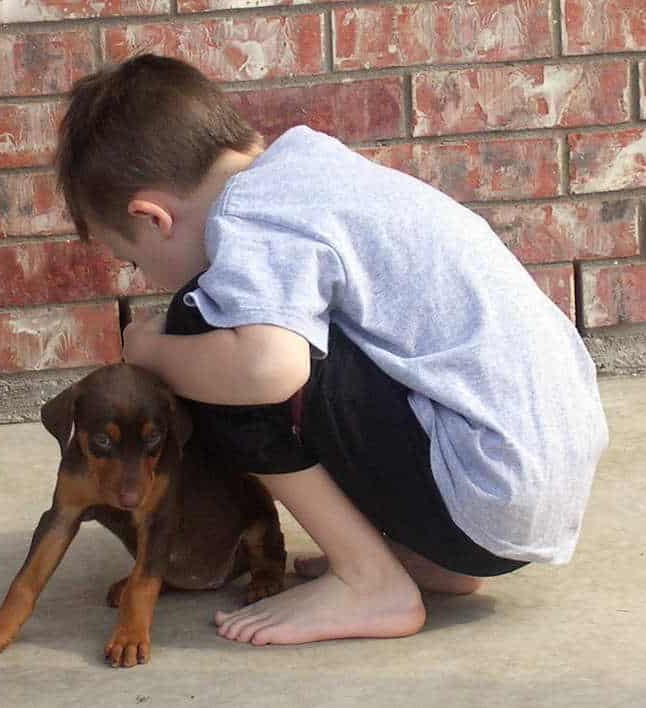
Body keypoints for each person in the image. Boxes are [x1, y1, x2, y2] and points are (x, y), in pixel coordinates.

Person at [54, 53, 610, 645]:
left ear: (154, 217)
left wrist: (153, 350)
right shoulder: (308, 170)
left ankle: (369, 581)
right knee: (271, 330)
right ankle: (425, 561)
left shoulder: (250, 218)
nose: (145, 278)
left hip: (480, 495)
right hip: (528, 487)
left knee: (204, 328)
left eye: (134, 262)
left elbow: (268, 369)